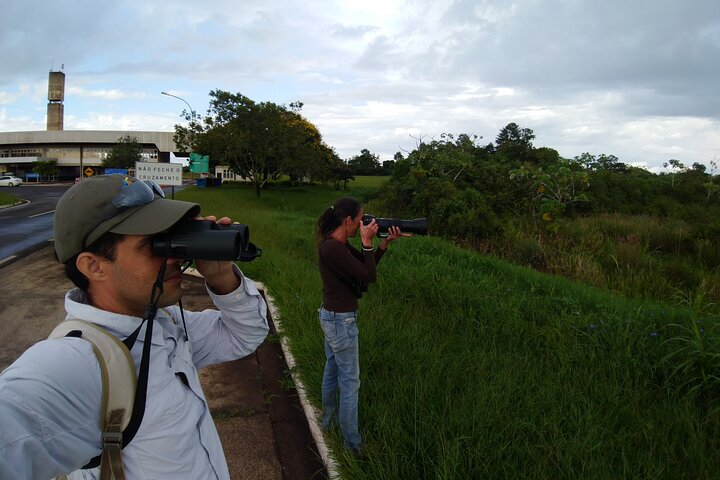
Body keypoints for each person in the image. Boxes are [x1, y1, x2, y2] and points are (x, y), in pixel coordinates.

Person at [0, 174, 269, 479]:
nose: (172, 257)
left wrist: (222, 278)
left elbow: (244, 335)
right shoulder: (75, 362)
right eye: (154, 245)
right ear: (94, 266)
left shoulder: (162, 323)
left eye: (171, 238)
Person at [316, 197, 408, 455]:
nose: (362, 225)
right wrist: (367, 242)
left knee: (332, 370)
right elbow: (369, 277)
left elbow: (364, 268)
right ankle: (352, 445)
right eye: (360, 220)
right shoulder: (332, 248)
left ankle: (329, 422)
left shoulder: (338, 245)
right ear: (348, 221)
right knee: (350, 383)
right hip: (340, 321)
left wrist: (382, 245)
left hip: (333, 318)